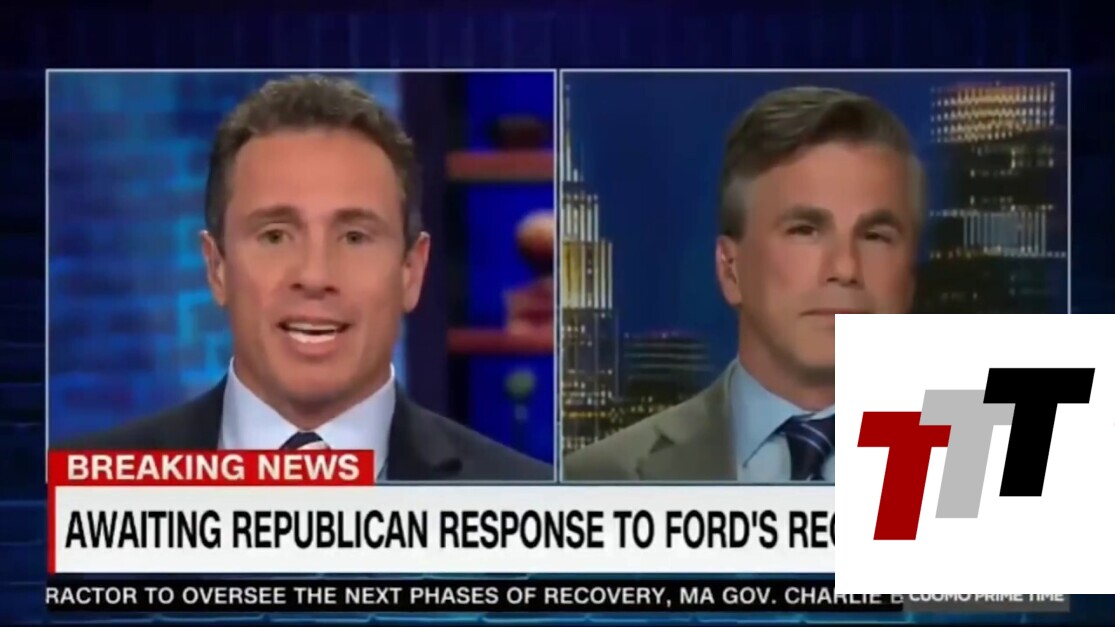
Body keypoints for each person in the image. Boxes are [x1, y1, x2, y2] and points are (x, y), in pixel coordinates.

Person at [61, 74, 551, 482]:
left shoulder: (524, 506)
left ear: (411, 271)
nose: (315, 276)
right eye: (275, 236)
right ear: (217, 267)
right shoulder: (84, 495)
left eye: (354, 237)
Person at [564, 86, 922, 482]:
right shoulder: (599, 479)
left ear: (908, 277)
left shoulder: (971, 468)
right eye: (805, 231)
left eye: (875, 236)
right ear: (730, 270)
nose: (845, 267)